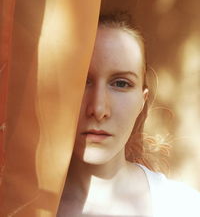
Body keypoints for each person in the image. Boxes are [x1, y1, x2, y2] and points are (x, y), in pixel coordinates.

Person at [57, 12, 200, 217]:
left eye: (121, 83)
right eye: (82, 81)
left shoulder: (184, 207)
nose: (98, 109)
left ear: (142, 101)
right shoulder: (17, 203)